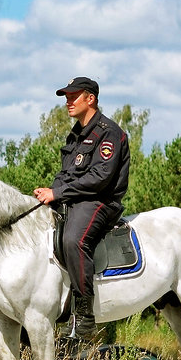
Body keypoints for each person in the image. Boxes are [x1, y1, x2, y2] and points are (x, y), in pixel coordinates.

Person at [32, 76, 130, 342]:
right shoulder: (76, 133)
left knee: (74, 239)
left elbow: (101, 177)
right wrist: (50, 192)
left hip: (101, 201)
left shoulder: (109, 132)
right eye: (66, 97)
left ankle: (84, 317)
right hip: (76, 199)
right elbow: (66, 172)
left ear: (91, 98)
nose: (68, 102)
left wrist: (59, 193)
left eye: (73, 96)